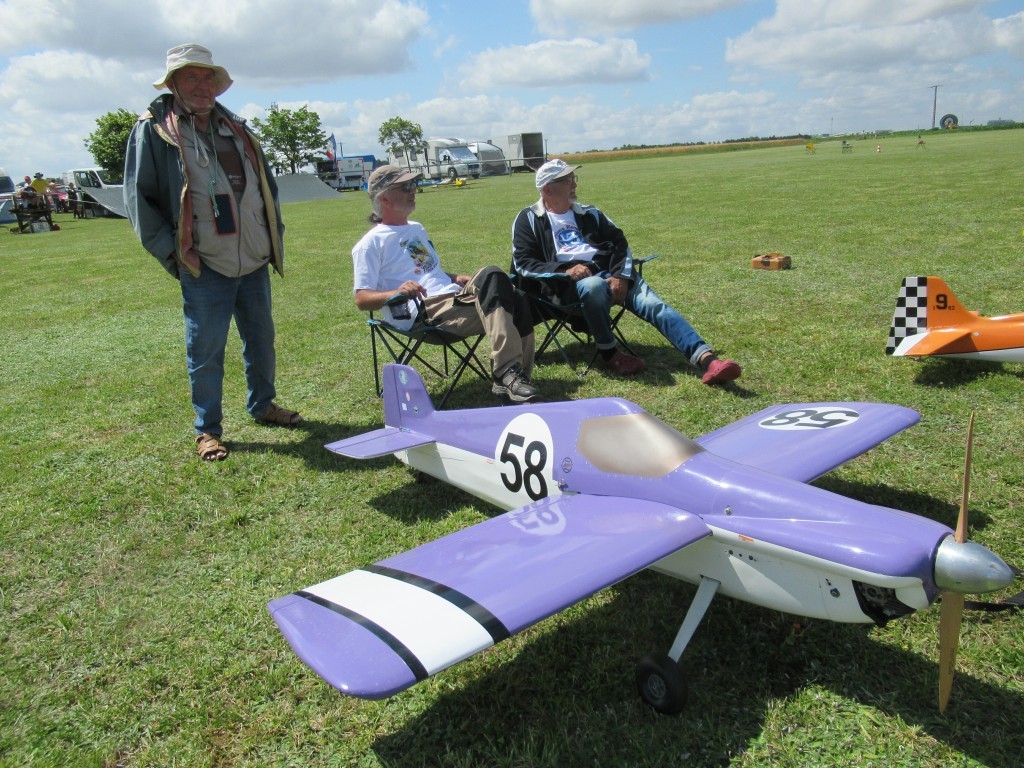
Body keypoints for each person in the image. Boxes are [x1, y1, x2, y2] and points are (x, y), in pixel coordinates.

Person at [123, 43, 301, 462]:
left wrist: (272, 237)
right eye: (191, 78)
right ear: (172, 84)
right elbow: (139, 201)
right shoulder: (153, 130)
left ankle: (262, 405)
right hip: (204, 265)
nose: (202, 86)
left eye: (208, 78)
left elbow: (264, 189)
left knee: (262, 339)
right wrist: (174, 254)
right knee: (205, 350)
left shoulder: (235, 126)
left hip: (253, 258)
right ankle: (208, 430)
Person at [512, 159, 741, 385]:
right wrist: (566, 270)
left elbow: (619, 244)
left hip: (611, 273)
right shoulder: (529, 219)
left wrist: (621, 276)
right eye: (567, 180)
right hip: (568, 287)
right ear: (547, 188)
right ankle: (610, 354)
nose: (574, 184)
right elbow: (523, 262)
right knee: (593, 285)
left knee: (654, 306)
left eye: (574, 178)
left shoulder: (590, 213)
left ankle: (708, 360)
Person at [352, 165, 541, 403]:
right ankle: (508, 374)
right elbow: (361, 298)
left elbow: (427, 271)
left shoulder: (416, 229)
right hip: (425, 312)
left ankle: (518, 376)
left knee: (517, 296)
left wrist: (453, 278)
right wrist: (397, 291)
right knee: (494, 277)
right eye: (406, 186)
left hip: (452, 300)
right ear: (384, 197)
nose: (414, 190)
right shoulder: (370, 244)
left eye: (414, 185)